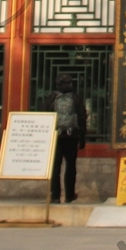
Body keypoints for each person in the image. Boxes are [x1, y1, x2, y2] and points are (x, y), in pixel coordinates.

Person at [40, 72, 86, 204]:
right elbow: (82, 118)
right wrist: (82, 138)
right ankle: (69, 195)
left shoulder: (51, 98)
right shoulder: (76, 98)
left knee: (55, 167)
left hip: (55, 137)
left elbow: (44, 116)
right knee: (71, 167)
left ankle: (55, 196)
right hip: (71, 136)